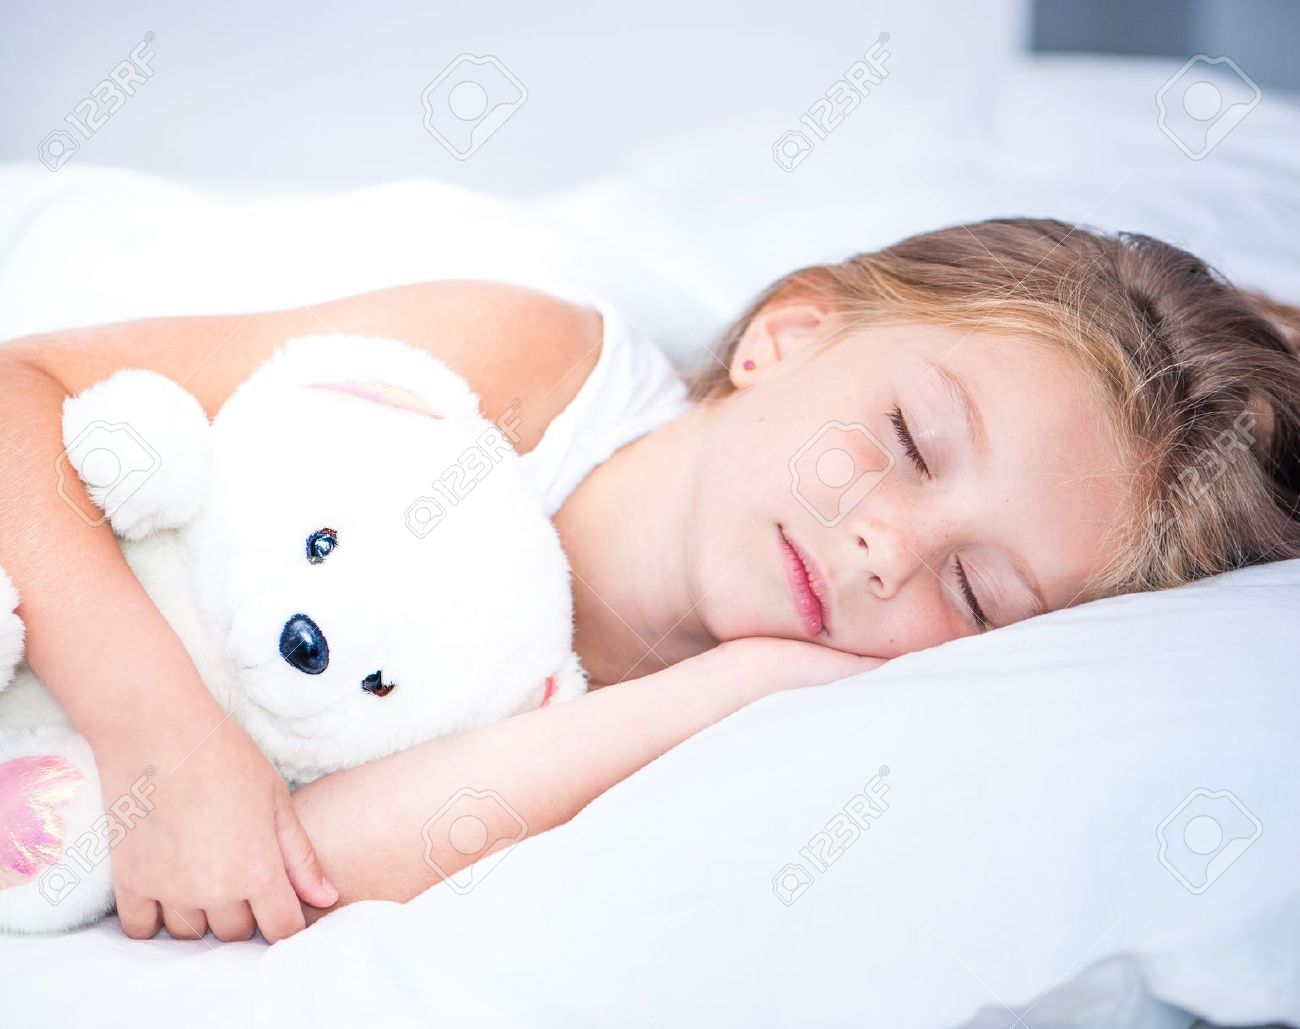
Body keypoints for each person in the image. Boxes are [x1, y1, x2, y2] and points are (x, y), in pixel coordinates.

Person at [1, 217, 1296, 942]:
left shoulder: (725, 727)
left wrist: (732, 686)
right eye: (905, 441)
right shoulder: (529, 369)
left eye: (978, 593)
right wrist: (158, 729)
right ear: (790, 334)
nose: (884, 548)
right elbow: (22, 391)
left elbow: (297, 861)